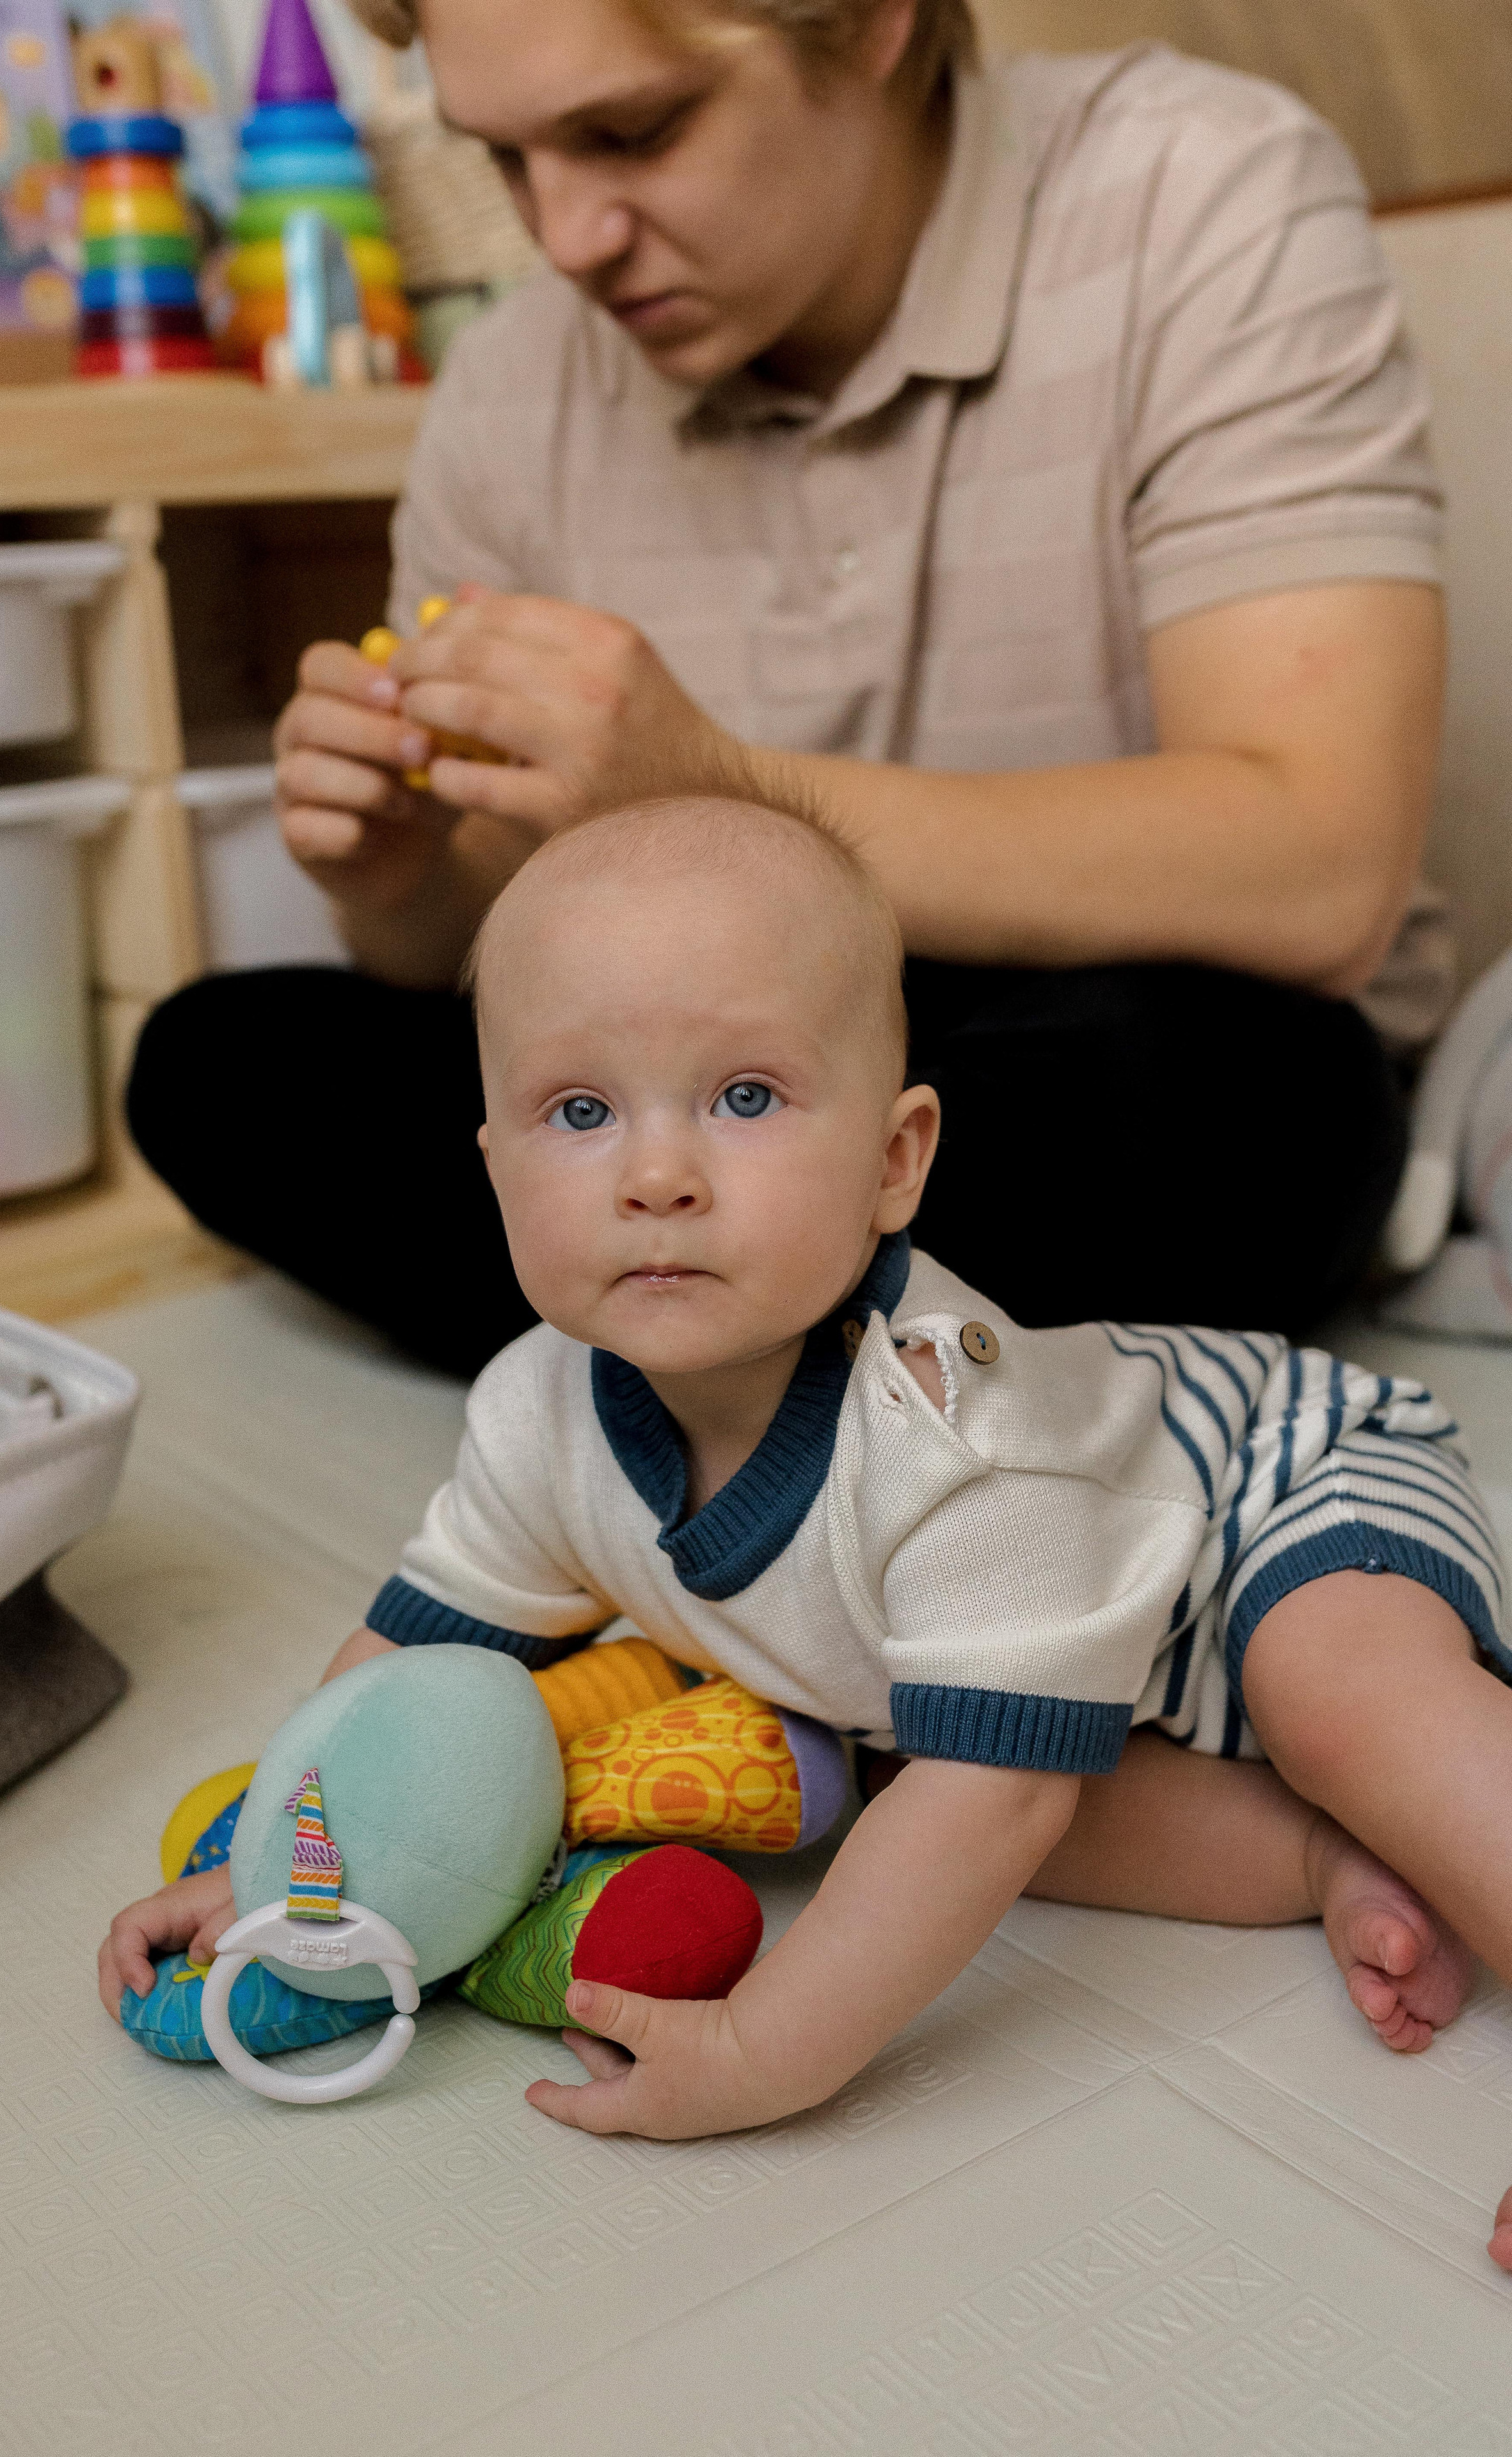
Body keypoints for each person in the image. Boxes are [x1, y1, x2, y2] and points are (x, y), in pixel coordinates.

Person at [104, 794, 1512, 2270]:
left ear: (897, 1161)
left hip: (1280, 1482)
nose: (657, 1174)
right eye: (579, 1113)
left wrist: (771, 2047)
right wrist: (284, 1864)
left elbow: (997, 1798)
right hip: (1105, 1661)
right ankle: (1320, 1862)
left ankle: (1392, 1793)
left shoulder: (943, 1436)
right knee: (934, 1784)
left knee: (1301, 1703)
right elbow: (402, 1656)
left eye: (746, 1097)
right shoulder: (536, 1410)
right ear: (494, 1168)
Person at [127, 0, 1450, 1376]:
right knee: (216, 1060)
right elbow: (474, 972)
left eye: (632, 132)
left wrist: (710, 787)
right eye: (504, 161)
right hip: (694, 1086)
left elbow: (1319, 872)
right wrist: (399, 875)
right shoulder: (511, 383)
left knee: (1244, 1096)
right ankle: (815, 1362)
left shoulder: (1200, 193)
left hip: (1092, 1040)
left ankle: (657, 1359)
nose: (567, 239)